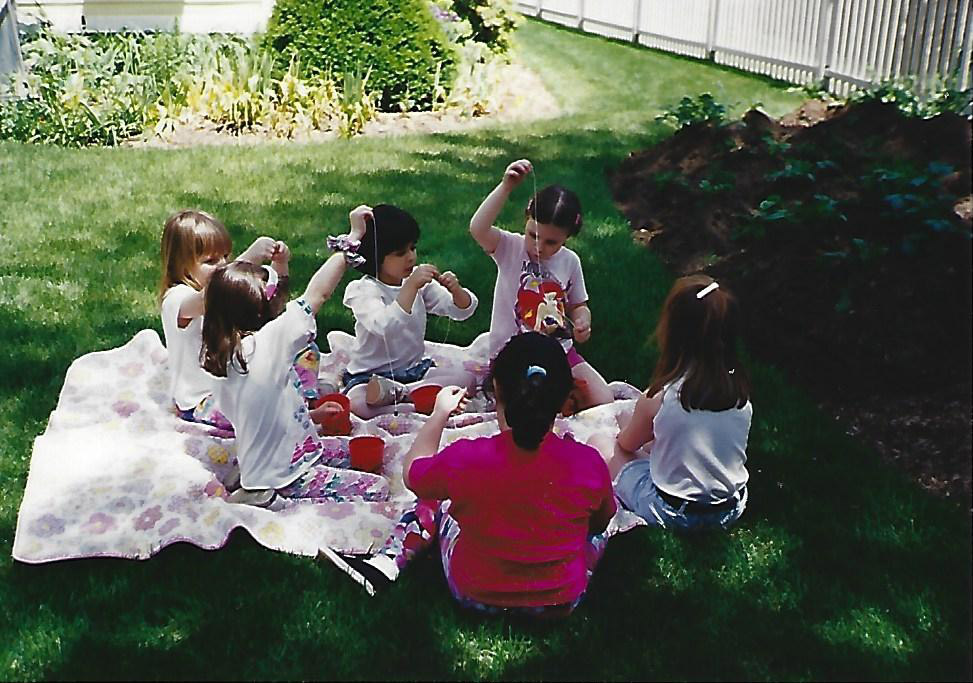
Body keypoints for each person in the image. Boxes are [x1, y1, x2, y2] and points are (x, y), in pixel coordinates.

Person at [336, 332, 616, 615]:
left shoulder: (466, 459)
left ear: (496, 387)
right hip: (561, 600)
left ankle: (387, 562)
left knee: (432, 500)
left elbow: (413, 475)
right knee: (594, 534)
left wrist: (439, 415)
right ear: (566, 396)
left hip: (476, 592)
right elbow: (601, 522)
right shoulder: (588, 463)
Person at [200, 223, 389, 508]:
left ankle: (252, 480)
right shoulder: (268, 344)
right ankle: (266, 498)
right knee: (378, 487)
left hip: (287, 455)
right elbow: (318, 295)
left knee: (353, 449)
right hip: (287, 475)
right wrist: (350, 243)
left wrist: (312, 415)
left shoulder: (228, 353)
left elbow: (263, 413)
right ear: (258, 311)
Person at [590, 275, 752, 531]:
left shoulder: (661, 397)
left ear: (673, 333)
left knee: (602, 443)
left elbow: (626, 444)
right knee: (661, 440)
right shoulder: (739, 395)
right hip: (730, 507)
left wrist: (627, 426)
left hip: (671, 510)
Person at [469, 158, 613, 413]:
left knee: (603, 400)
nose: (538, 246)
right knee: (523, 409)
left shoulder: (570, 261)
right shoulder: (509, 248)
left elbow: (579, 305)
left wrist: (582, 322)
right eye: (533, 235)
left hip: (558, 352)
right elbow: (478, 228)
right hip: (511, 354)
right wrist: (505, 187)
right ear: (526, 218)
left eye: (551, 242)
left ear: (568, 237)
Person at [341, 204, 479, 418]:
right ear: (376, 256)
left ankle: (406, 398)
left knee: (466, 378)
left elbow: (461, 311)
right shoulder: (363, 290)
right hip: (370, 378)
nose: (411, 257)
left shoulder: (416, 282)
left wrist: (456, 291)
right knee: (356, 404)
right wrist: (410, 287)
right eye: (400, 253)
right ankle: (420, 403)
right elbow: (384, 326)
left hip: (414, 372)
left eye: (412, 248)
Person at [159, 209, 290, 432]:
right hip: (200, 399)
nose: (221, 265)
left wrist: (280, 265)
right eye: (210, 261)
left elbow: (273, 302)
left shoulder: (220, 291)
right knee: (257, 416)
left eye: (225, 257)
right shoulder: (176, 299)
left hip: (231, 383)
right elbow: (210, 296)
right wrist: (250, 258)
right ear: (180, 265)